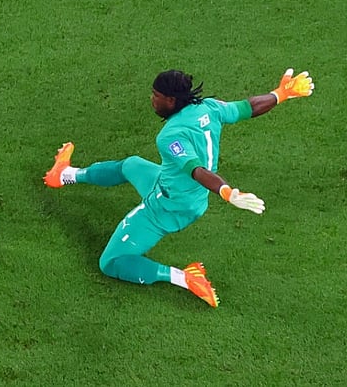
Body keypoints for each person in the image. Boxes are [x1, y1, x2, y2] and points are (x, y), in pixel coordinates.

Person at [43, 69, 314, 307]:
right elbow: (248, 107)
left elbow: (196, 170)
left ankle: (185, 277)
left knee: (111, 262)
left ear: (170, 101)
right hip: (183, 192)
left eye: (155, 95)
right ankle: (65, 175)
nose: (152, 99)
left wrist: (228, 192)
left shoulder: (170, 136)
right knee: (131, 165)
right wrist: (280, 94)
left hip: (168, 206)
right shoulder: (209, 108)